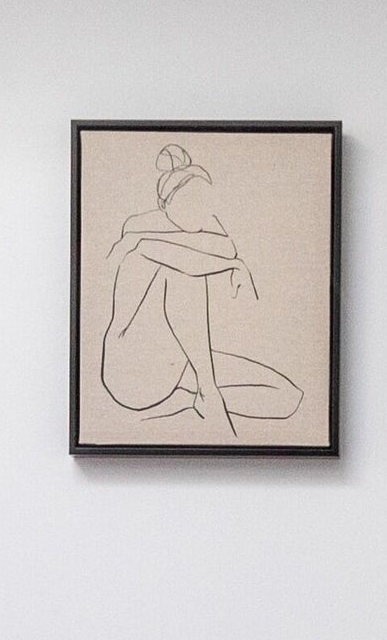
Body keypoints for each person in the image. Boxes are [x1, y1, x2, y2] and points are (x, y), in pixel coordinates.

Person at [98, 145, 300, 437]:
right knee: (184, 273)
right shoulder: (139, 246)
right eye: (189, 200)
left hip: (173, 366)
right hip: (129, 372)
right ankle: (208, 391)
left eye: (204, 200)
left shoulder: (197, 237)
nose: (200, 209)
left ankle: (187, 400)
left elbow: (225, 246)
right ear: (165, 205)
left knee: (287, 396)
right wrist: (233, 265)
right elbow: (165, 254)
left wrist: (235, 261)